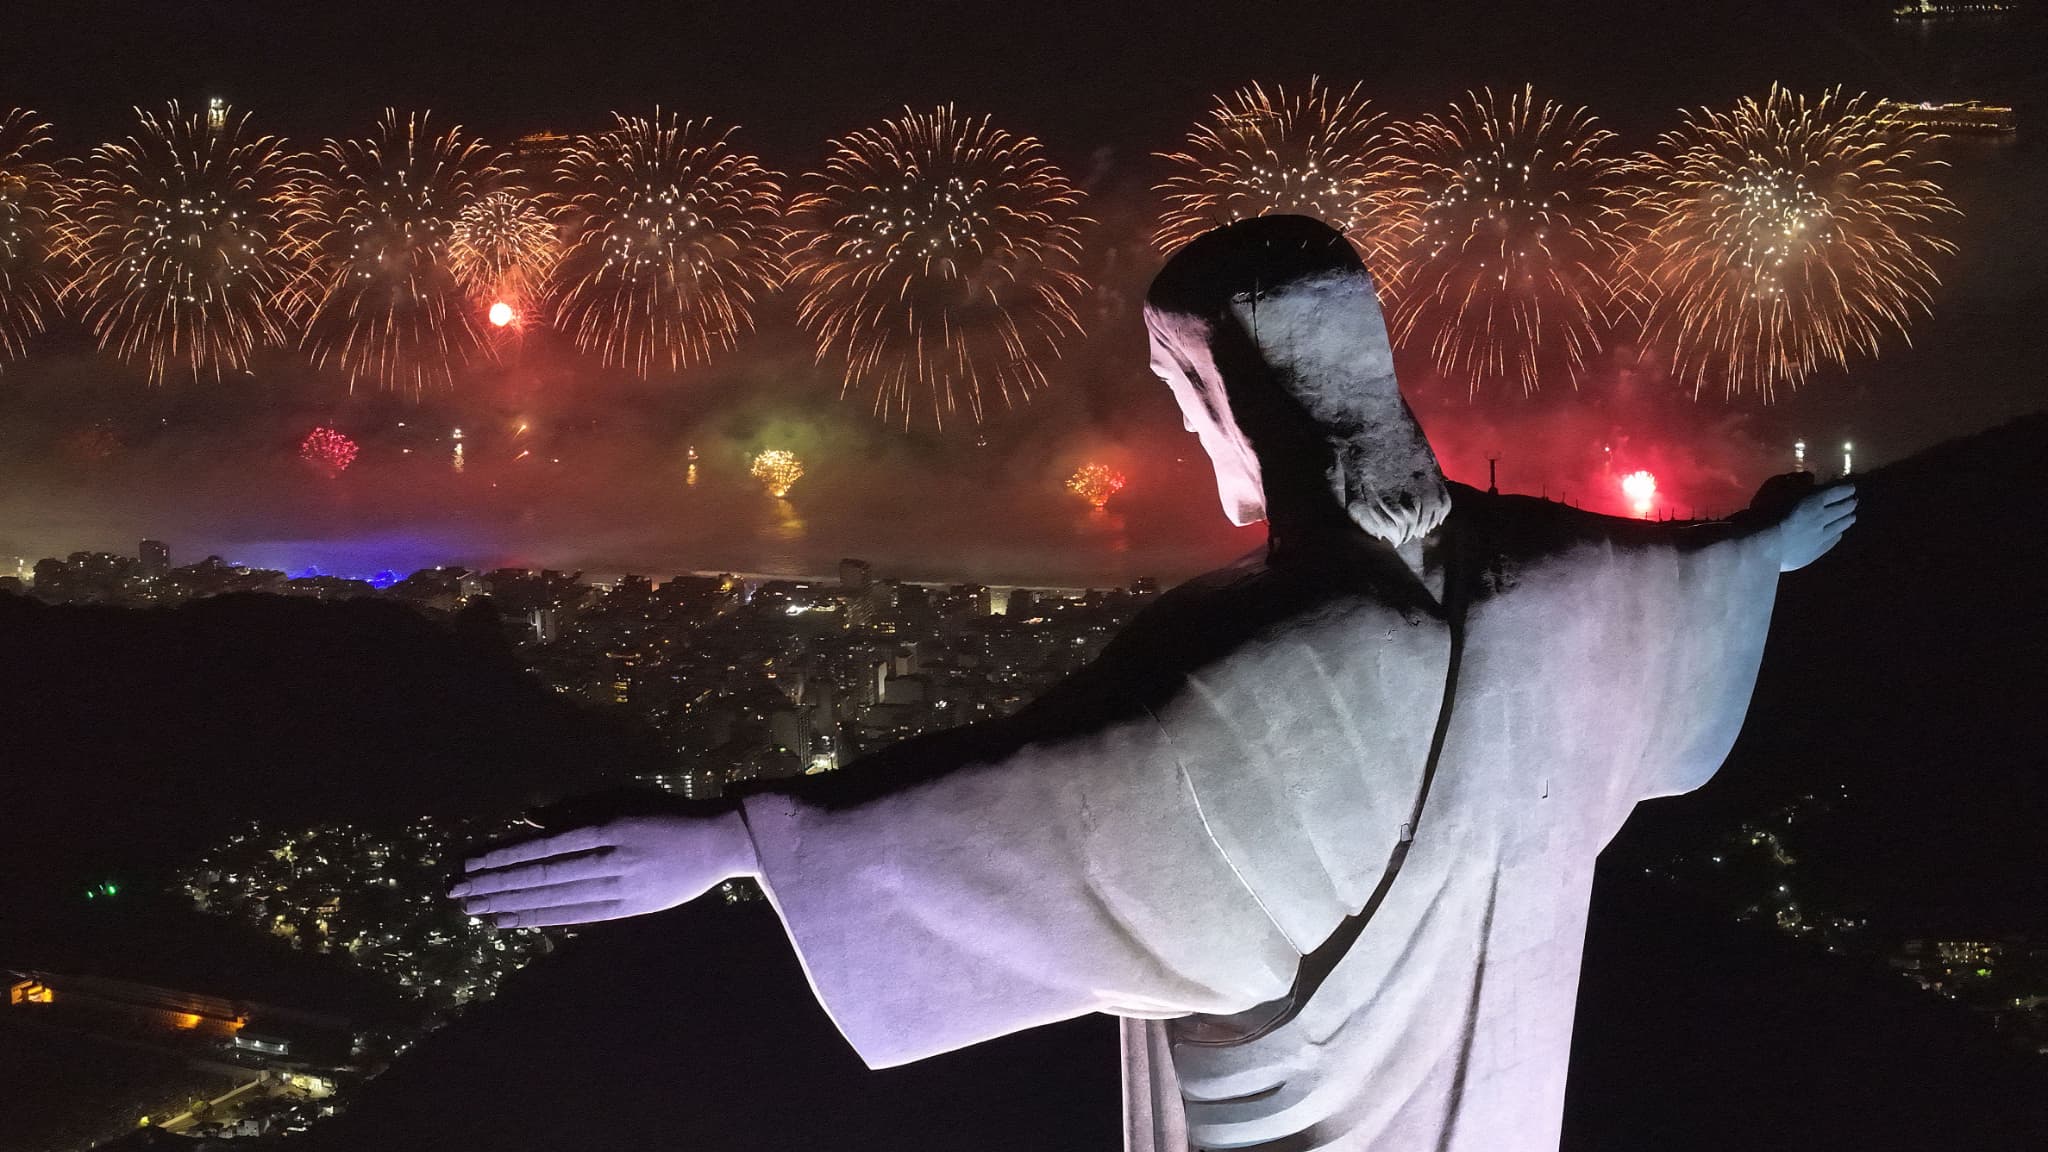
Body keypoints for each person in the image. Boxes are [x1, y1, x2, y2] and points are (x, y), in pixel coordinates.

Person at [451, 215, 1856, 1151]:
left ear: (1235, 407)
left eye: (1184, 397)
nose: (1187, 429)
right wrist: (1769, 545)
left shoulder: (1257, 659)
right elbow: (1677, 580)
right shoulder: (1550, 579)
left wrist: (731, 843)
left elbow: (1047, 802)